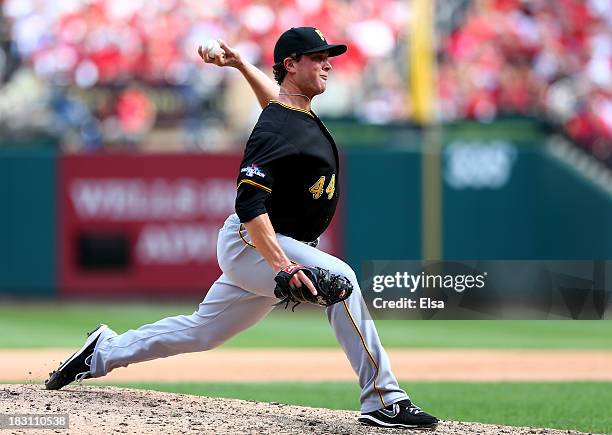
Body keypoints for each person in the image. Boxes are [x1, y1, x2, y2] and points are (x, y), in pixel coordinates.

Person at [45, 27, 439, 430]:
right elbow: (249, 204)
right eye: (318, 56)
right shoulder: (274, 129)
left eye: (328, 56)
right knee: (343, 280)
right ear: (291, 65)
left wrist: (238, 64)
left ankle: (103, 351)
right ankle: (382, 399)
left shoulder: (292, 113)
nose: (328, 63)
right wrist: (283, 266)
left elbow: (276, 100)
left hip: (274, 244)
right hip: (253, 242)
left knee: (203, 332)